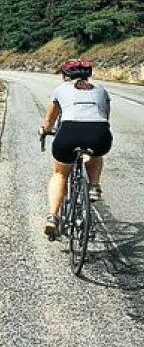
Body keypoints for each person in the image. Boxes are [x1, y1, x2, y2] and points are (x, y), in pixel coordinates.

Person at [38, 58, 112, 237]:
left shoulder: (60, 90)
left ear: (65, 76)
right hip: (99, 133)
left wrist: (44, 130)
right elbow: (105, 117)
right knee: (94, 153)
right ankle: (94, 186)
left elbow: (49, 121)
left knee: (60, 174)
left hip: (68, 133)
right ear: (89, 75)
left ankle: (53, 217)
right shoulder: (102, 90)